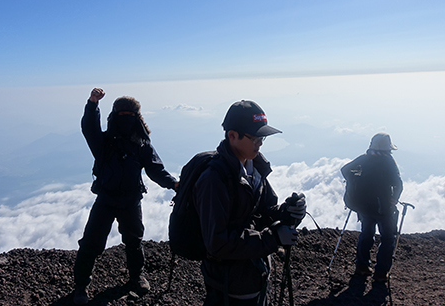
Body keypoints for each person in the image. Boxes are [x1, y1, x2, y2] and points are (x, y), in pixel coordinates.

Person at [193, 100, 307, 305]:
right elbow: (217, 242)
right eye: (255, 137)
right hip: (229, 283)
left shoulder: (254, 168)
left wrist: (286, 212)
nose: (260, 142)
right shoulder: (214, 180)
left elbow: (264, 210)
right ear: (232, 136)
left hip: (253, 273)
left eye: (262, 137)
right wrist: (273, 238)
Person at [73, 88, 178, 305]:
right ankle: (92, 285)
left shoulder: (117, 143)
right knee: (125, 241)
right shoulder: (133, 143)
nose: (126, 119)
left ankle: (84, 287)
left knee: (115, 241)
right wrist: (92, 104)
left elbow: (89, 128)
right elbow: (156, 170)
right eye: (124, 115)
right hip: (119, 200)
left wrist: (174, 183)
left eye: (128, 115)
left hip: (116, 199)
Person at [341, 132, 403, 282]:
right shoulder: (388, 162)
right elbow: (398, 184)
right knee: (388, 238)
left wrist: (359, 175)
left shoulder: (364, 159)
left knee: (366, 235)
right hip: (384, 208)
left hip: (364, 206)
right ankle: (381, 273)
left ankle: (362, 267)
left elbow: (346, 170)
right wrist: (394, 198)